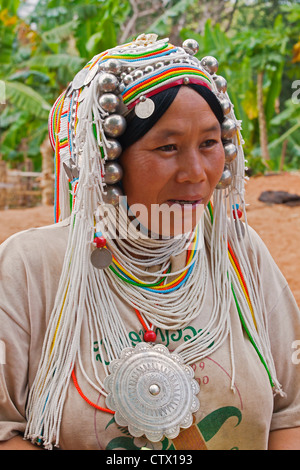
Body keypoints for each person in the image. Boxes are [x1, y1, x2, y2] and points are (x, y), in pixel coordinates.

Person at [0, 33, 300, 451]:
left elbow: (292, 415)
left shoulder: (237, 254)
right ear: (107, 161)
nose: (196, 172)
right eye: (168, 147)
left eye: (210, 143)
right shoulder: (33, 266)